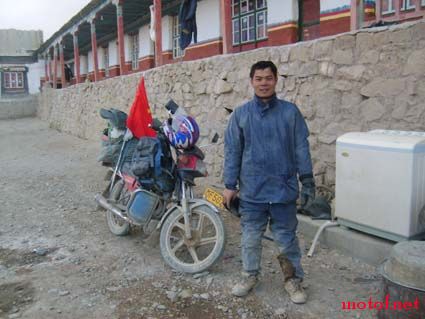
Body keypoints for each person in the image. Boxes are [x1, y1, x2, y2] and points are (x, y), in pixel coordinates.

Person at [223, 61, 315, 304]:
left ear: (276, 80)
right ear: (252, 81)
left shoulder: (290, 112)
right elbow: (233, 151)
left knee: (286, 237)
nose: (264, 83)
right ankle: (249, 275)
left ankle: (292, 279)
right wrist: (230, 185)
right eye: (259, 78)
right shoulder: (241, 115)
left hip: (283, 190)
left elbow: (301, 148)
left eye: (268, 78)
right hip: (252, 191)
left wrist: (307, 181)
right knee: (250, 237)